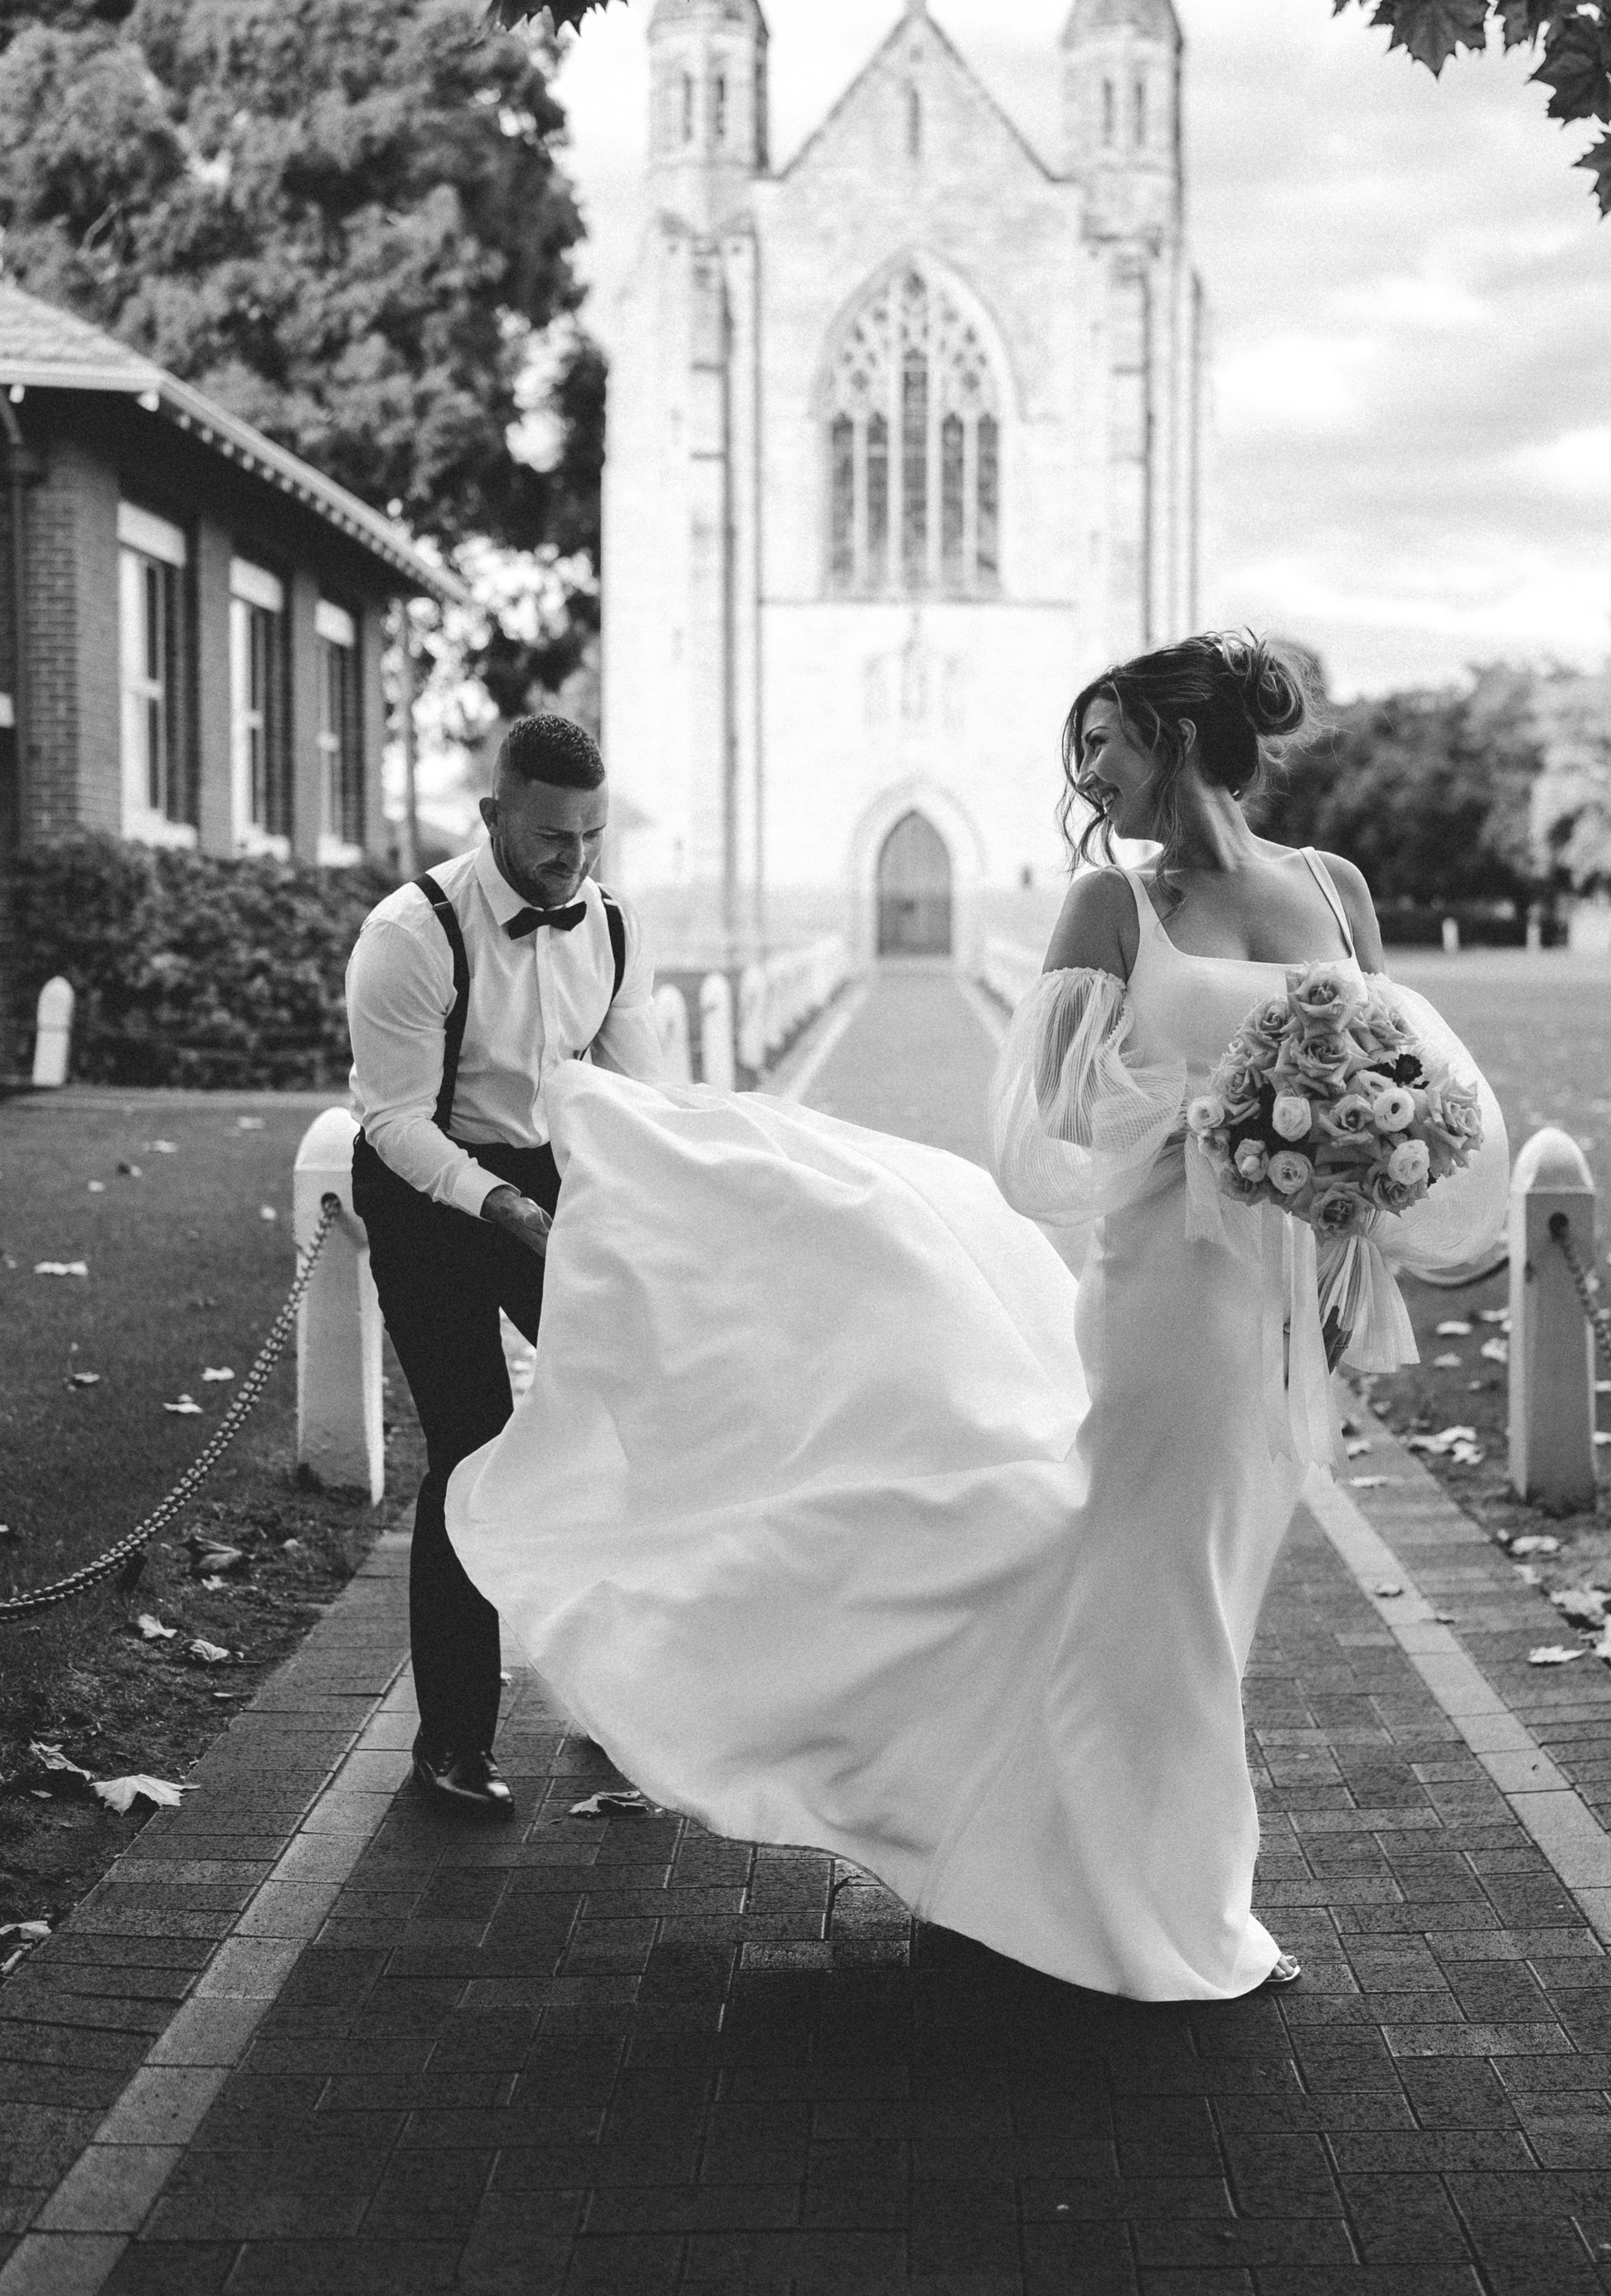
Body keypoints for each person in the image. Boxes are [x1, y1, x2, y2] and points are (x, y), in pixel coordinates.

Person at [444, 634, 1506, 1994]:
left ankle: (1043, 1854)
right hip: (1167, 1302)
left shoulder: (1332, 888)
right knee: (1161, 1584)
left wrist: (1351, 1203)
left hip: (1289, 1304)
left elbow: (1405, 1074)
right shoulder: (1111, 910)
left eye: (1106, 742)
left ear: (1176, 740)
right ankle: (1157, 1905)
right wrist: (1229, 1124)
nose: (1089, 773)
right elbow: (1051, 1131)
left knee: (1205, 1588)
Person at [345, 711, 661, 1817]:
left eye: (590, 837)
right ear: (492, 817)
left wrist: (668, 1215)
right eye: (549, 839)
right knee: (471, 1445)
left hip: (543, 1179)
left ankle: (626, 1707)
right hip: (428, 1181)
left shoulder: (613, 927)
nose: (573, 861)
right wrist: (501, 1206)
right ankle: (452, 1742)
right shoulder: (409, 931)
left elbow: (638, 1102)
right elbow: (389, 1118)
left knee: (629, 1422)